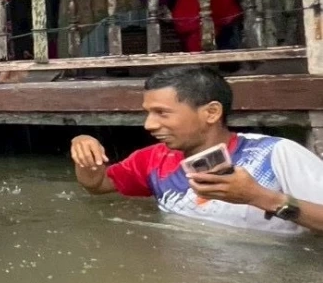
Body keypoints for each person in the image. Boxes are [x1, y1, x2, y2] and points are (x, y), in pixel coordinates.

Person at [69, 65, 323, 235]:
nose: (149, 125)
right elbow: (97, 185)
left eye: (162, 113)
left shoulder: (276, 153)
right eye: (147, 113)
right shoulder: (153, 159)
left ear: (211, 112)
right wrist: (83, 149)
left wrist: (259, 197)